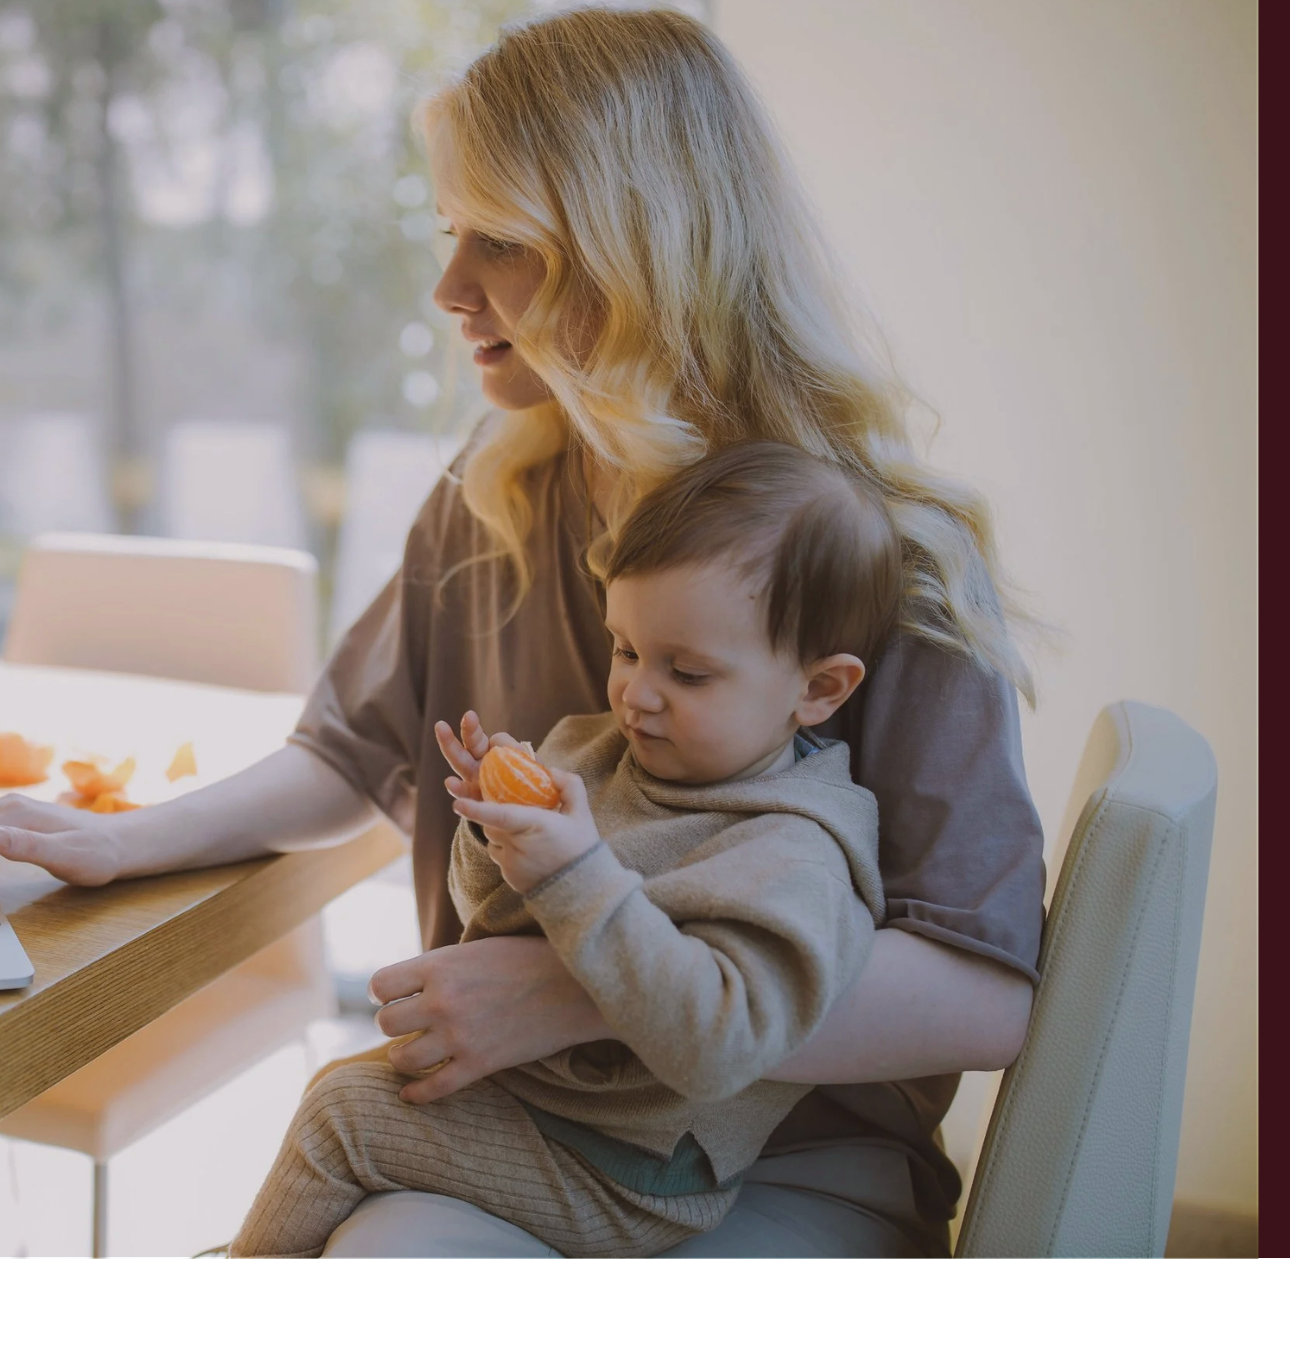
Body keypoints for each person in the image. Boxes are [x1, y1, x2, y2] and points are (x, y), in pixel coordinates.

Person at [0, 5, 1045, 1260]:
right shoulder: (496, 490)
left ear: (634, 249)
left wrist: (576, 992)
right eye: (448, 234)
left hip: (782, 1162)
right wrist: (125, 838)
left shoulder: (879, 557)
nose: (447, 290)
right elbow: (350, 753)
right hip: (527, 1119)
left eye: (501, 242)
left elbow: (980, 994)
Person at [230, 442, 899, 1259]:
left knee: (342, 1119)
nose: (634, 695)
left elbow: (721, 1043)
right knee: (349, 1087)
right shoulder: (599, 751)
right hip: (540, 1103)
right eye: (625, 650)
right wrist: (496, 832)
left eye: (687, 673)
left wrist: (577, 874)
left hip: (630, 1171)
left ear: (819, 689)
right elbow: (495, 919)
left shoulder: (795, 848)